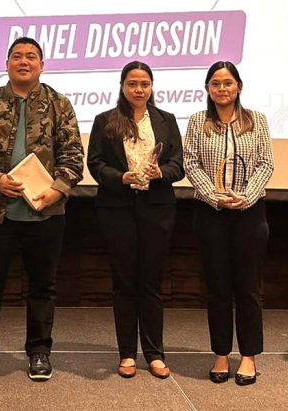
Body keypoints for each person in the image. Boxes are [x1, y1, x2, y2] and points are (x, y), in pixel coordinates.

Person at [0, 36, 84, 381]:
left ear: (42, 65)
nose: (23, 62)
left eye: (30, 57)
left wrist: (59, 189)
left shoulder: (59, 104)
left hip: (45, 214)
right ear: (7, 64)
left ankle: (39, 352)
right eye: (16, 56)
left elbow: (73, 154)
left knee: (43, 286)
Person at [87, 61, 184, 379]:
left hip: (157, 208)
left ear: (152, 86)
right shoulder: (105, 120)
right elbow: (96, 163)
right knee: (125, 283)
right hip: (117, 209)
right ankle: (127, 353)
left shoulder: (166, 120)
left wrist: (161, 174)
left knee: (152, 283)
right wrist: (122, 177)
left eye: (144, 83)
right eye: (132, 84)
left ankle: (155, 354)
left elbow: (178, 165)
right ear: (122, 86)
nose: (138, 89)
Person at [183, 61, 274, 386]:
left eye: (228, 83)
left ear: (239, 86)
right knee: (218, 287)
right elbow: (190, 162)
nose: (222, 89)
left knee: (248, 288)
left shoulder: (257, 121)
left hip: (250, 213)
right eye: (216, 84)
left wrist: (246, 196)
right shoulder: (197, 121)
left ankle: (248, 356)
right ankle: (221, 353)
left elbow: (266, 163)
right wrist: (214, 196)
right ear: (208, 88)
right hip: (212, 213)